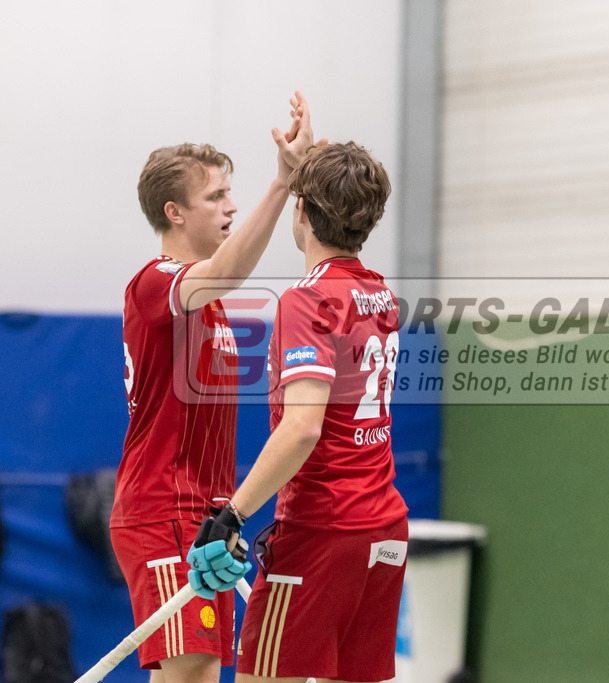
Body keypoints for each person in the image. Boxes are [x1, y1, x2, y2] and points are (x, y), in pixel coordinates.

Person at [110, 92, 315, 683]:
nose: (231, 205)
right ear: (175, 212)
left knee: (198, 676)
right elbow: (229, 267)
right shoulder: (156, 285)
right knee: (191, 674)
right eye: (216, 196)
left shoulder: (213, 308)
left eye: (232, 192)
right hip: (163, 511)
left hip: (206, 515)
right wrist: (283, 184)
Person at [187, 141, 409, 683]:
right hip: (384, 528)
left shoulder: (306, 300)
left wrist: (232, 516)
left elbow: (304, 426)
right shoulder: (379, 294)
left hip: (322, 531)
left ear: (302, 211)